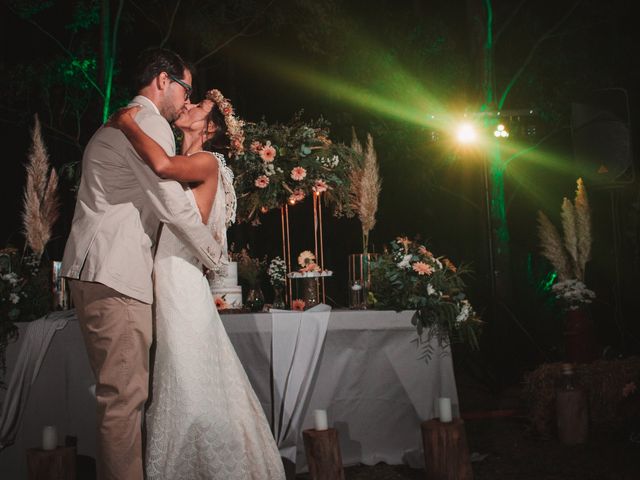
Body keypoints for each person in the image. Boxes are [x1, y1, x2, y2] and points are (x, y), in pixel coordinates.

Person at [60, 48, 224, 480]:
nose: (186, 102)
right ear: (164, 81)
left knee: (122, 395)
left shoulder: (130, 120)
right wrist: (214, 256)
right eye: (185, 90)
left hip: (101, 271)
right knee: (124, 398)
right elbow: (170, 203)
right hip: (115, 276)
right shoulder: (149, 122)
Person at [107, 89, 285, 479]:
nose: (187, 105)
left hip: (180, 279)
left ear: (211, 127)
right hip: (172, 276)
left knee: (186, 374)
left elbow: (161, 166)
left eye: (199, 106)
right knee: (184, 372)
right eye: (191, 100)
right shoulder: (195, 159)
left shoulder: (204, 161)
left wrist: (126, 124)